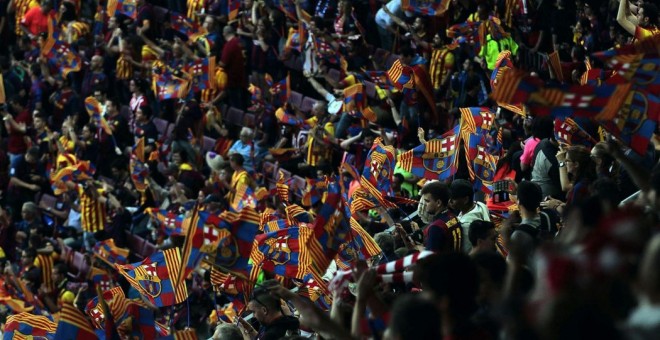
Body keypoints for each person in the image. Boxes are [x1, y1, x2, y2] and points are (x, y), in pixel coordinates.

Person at [413, 181, 462, 253]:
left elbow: (431, 257)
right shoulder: (452, 216)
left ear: (438, 203)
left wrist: (417, 247)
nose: (425, 205)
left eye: (427, 201)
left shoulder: (436, 227)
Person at [448, 179, 490, 253]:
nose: (450, 201)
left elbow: (465, 252)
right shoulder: (480, 205)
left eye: (453, 199)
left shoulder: (465, 225)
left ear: (465, 200)